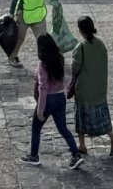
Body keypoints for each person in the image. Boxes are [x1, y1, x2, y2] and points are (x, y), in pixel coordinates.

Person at [21, 32, 82, 169]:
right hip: (60, 97)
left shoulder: (43, 65)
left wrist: (40, 109)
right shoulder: (59, 59)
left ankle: (34, 156)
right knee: (62, 128)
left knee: (36, 128)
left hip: (48, 99)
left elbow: (44, 88)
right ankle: (75, 154)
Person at [70, 16, 113, 158]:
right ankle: (112, 137)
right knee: (102, 117)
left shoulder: (80, 47)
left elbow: (75, 69)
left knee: (81, 118)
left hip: (85, 90)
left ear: (80, 30)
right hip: (99, 88)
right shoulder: (101, 43)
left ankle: (82, 145)